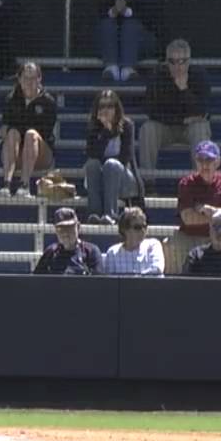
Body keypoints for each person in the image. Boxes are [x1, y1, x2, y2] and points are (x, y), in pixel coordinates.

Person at [139, 39, 211, 182]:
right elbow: (150, 110)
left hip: (190, 129)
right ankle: (147, 184)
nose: (177, 66)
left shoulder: (199, 74)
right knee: (147, 129)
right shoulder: (158, 76)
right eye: (172, 61)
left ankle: (202, 183)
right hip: (166, 128)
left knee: (201, 128)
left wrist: (184, 89)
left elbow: (203, 110)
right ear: (166, 62)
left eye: (182, 61)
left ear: (189, 61)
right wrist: (180, 119)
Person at [166, 140, 221, 275]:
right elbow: (188, 219)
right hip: (189, 236)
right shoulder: (186, 183)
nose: (204, 164)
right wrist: (220, 216)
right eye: (200, 160)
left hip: (220, 236)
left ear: (217, 162)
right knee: (169, 244)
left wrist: (207, 210)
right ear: (195, 162)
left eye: (209, 160)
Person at [0, 62, 57, 198]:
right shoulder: (11, 99)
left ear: (39, 78)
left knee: (31, 135)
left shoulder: (48, 102)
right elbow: (5, 127)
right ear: (19, 79)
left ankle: (24, 186)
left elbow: (45, 132)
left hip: (40, 154)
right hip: (16, 152)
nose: (29, 82)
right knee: (12, 134)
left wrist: (22, 127)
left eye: (33, 78)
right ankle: (6, 184)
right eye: (25, 78)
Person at [83, 89, 140, 224]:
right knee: (92, 165)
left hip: (123, 178)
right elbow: (92, 154)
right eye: (102, 106)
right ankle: (94, 214)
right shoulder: (93, 128)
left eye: (110, 106)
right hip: (99, 179)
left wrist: (111, 131)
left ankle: (111, 214)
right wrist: (105, 133)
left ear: (116, 108)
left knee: (111, 164)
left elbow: (126, 157)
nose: (106, 110)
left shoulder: (127, 125)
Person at [98, 0, 159, 82]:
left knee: (131, 25)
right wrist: (114, 11)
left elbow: (150, 18)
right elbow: (100, 11)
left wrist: (127, 12)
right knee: (108, 23)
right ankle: (111, 68)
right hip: (114, 42)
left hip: (140, 41)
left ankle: (128, 69)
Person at [34, 207, 102, 275]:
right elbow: (36, 280)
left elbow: (98, 282)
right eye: (61, 229)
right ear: (55, 230)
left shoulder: (91, 251)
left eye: (69, 228)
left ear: (78, 227)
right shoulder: (50, 252)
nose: (65, 233)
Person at [100, 207, 165, 276]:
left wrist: (135, 279)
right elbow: (111, 282)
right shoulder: (112, 252)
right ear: (125, 229)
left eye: (144, 226)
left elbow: (157, 269)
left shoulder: (153, 245)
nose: (143, 231)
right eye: (137, 227)